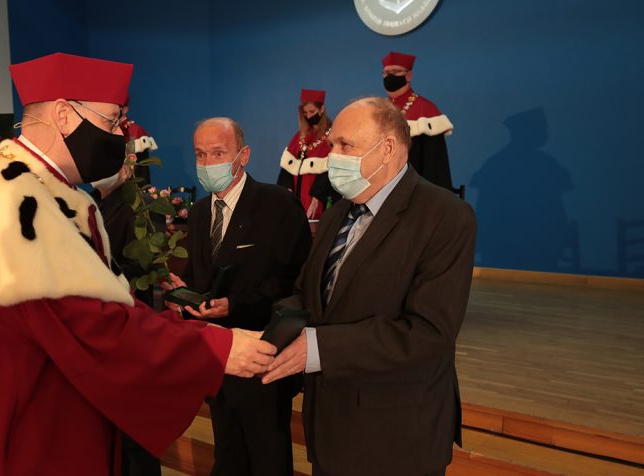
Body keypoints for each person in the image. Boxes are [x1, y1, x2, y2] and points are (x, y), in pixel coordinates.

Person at [0, 52, 277, 476]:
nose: (120, 135)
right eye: (112, 121)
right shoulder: (17, 201)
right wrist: (214, 348)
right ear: (63, 115)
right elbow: (91, 325)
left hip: (12, 402)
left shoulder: (3, 183)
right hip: (27, 428)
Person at [263, 97, 477, 476]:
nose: (332, 156)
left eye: (345, 145)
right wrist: (270, 334)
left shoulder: (445, 216)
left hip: (396, 435)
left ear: (388, 148)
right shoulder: (337, 213)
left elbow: (429, 332)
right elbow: (308, 294)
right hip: (330, 426)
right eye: (332, 144)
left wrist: (318, 348)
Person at [165, 117, 312, 476]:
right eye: (200, 154)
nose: (207, 163)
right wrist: (181, 295)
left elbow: (294, 281)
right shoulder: (199, 213)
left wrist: (235, 304)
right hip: (217, 357)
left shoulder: (278, 204)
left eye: (218, 153)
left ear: (243, 155)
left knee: (268, 457)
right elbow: (200, 278)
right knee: (227, 454)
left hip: (263, 357)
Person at [382, 51, 455, 190]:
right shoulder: (379, 109)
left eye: (396, 71)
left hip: (414, 188)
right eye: (386, 73)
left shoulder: (426, 109)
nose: (390, 76)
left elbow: (434, 166)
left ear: (409, 75)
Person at [277, 88, 340, 219]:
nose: (309, 116)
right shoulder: (300, 135)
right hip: (296, 198)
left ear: (321, 109)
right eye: (305, 113)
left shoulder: (331, 135)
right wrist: (287, 192)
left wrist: (316, 198)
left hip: (317, 198)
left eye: (312, 111)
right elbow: (287, 169)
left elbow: (330, 172)